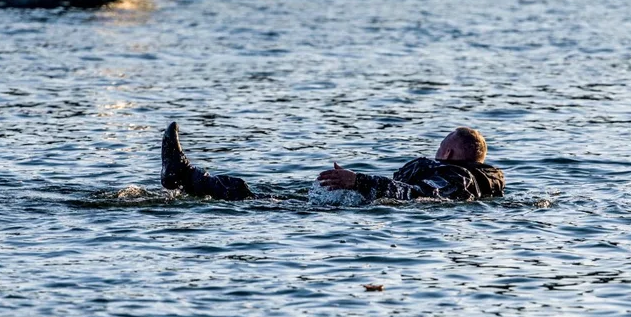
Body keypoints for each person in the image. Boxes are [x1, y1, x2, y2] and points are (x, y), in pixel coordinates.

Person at [160, 122, 505, 203]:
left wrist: (358, 182)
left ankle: (186, 177)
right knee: (266, 195)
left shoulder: (457, 180)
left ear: (446, 154)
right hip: (359, 204)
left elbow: (417, 196)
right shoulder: (457, 174)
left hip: (360, 210)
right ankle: (188, 178)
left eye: (438, 148)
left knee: (255, 199)